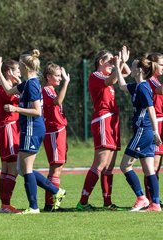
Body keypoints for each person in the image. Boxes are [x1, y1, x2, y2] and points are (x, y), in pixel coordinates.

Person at [0, 50, 66, 214]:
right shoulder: (28, 83)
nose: (19, 67)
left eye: (20, 64)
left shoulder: (33, 84)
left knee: (26, 169)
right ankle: (56, 191)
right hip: (29, 128)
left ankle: (34, 207)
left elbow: (37, 111)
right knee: (22, 169)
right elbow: (8, 91)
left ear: (26, 66)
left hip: (32, 128)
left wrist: (15, 108)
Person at [76, 46, 130, 211]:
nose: (112, 64)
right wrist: (118, 64)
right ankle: (83, 202)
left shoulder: (108, 74)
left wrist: (122, 62)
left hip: (112, 120)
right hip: (103, 120)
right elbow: (113, 80)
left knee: (109, 166)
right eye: (109, 61)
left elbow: (126, 74)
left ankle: (107, 203)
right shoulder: (96, 75)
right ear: (100, 62)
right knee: (100, 164)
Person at [116, 53, 162, 212]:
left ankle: (141, 198)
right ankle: (155, 204)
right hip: (145, 131)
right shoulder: (137, 86)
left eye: (134, 66)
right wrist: (118, 65)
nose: (131, 68)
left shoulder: (143, 87)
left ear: (140, 70)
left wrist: (156, 132)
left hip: (144, 130)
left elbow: (151, 110)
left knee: (124, 166)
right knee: (149, 169)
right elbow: (122, 86)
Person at [42, 63, 70, 212]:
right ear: (48, 77)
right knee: (55, 168)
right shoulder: (46, 90)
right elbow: (57, 101)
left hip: (59, 131)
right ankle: (52, 204)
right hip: (53, 132)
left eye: (61, 75)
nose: (60, 78)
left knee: (58, 167)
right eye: (57, 75)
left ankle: (51, 204)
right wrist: (66, 82)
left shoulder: (52, 90)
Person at [0, 59, 22, 213]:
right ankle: (6, 205)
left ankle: (4, 205)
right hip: (9, 128)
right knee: (13, 168)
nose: (19, 73)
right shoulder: (6, 89)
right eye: (17, 70)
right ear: (9, 72)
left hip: (6, 128)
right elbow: (19, 96)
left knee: (6, 168)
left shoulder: (4, 87)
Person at [145, 52, 163, 204]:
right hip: (154, 123)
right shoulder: (150, 80)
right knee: (153, 165)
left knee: (158, 164)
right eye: (161, 64)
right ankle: (152, 200)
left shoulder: (156, 80)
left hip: (160, 121)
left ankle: (154, 200)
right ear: (153, 64)